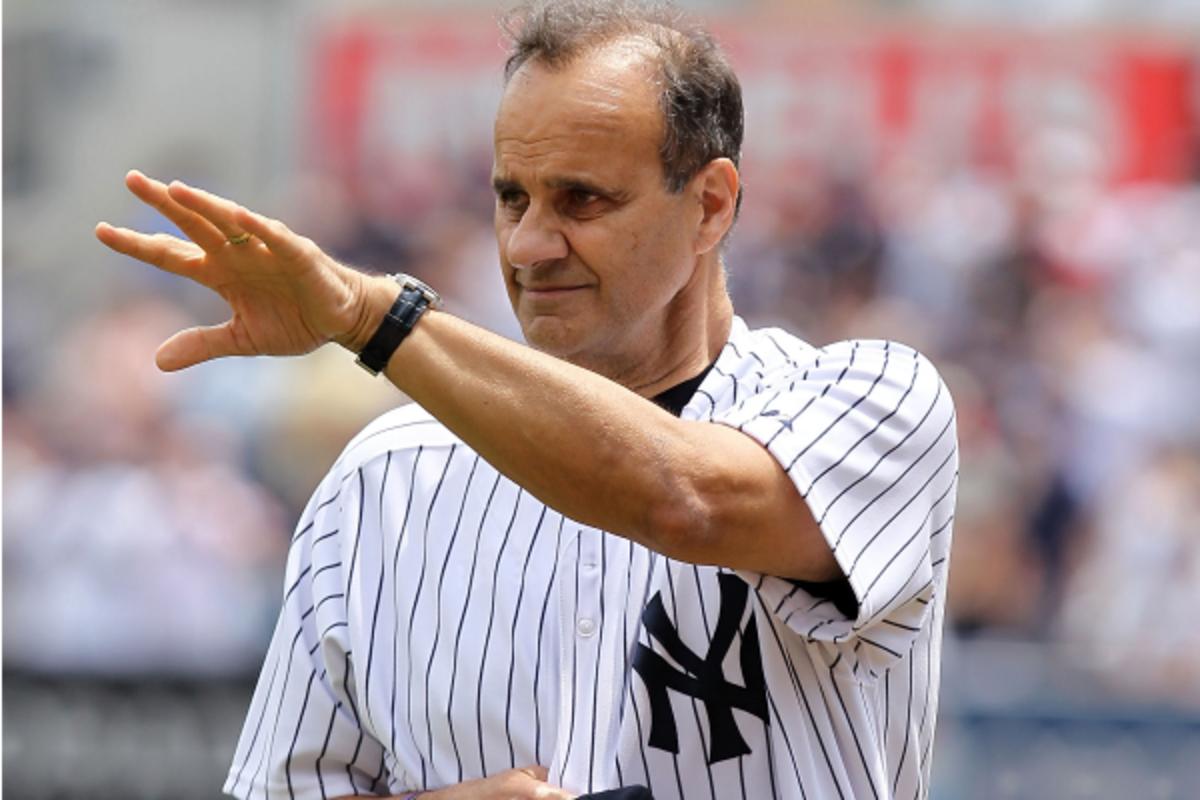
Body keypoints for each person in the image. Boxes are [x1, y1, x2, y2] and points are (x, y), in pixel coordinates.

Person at [95, 1, 958, 798]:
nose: (532, 244)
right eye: (513, 197)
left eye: (583, 199)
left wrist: (370, 315)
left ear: (710, 205)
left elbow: (682, 498)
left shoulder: (873, 399)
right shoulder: (383, 478)